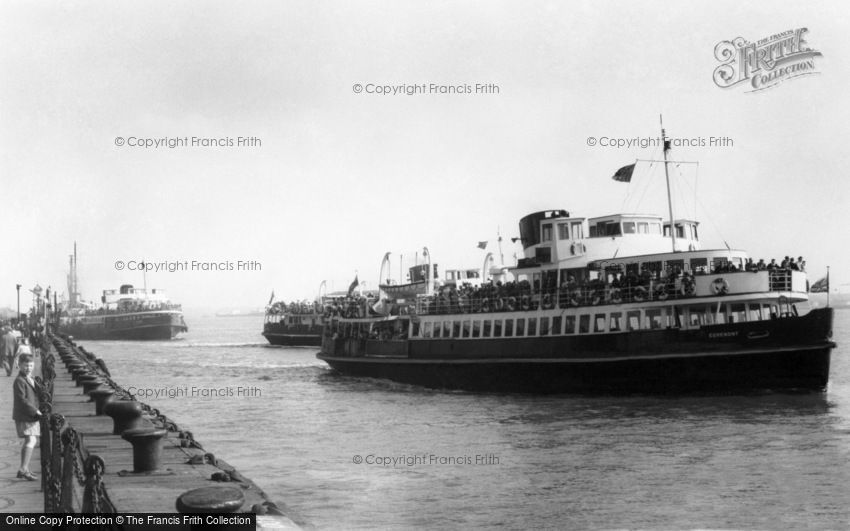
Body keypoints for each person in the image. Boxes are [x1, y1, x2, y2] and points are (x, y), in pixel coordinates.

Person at [13, 353, 41, 480]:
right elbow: (22, 400)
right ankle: (23, 469)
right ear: (19, 365)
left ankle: (24, 469)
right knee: (31, 440)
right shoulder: (19, 380)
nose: (28, 368)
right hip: (26, 415)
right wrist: (36, 411)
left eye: (30, 365)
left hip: (28, 415)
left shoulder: (29, 378)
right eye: (25, 366)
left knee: (29, 440)